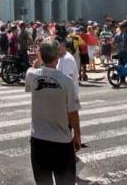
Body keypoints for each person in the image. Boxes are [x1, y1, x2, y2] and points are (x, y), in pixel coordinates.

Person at [25, 40, 81, 185]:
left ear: (41, 57)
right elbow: (73, 112)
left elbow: (34, 68)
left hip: (38, 140)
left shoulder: (31, 75)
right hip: (61, 141)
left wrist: (38, 59)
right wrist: (77, 135)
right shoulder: (66, 81)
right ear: (57, 58)